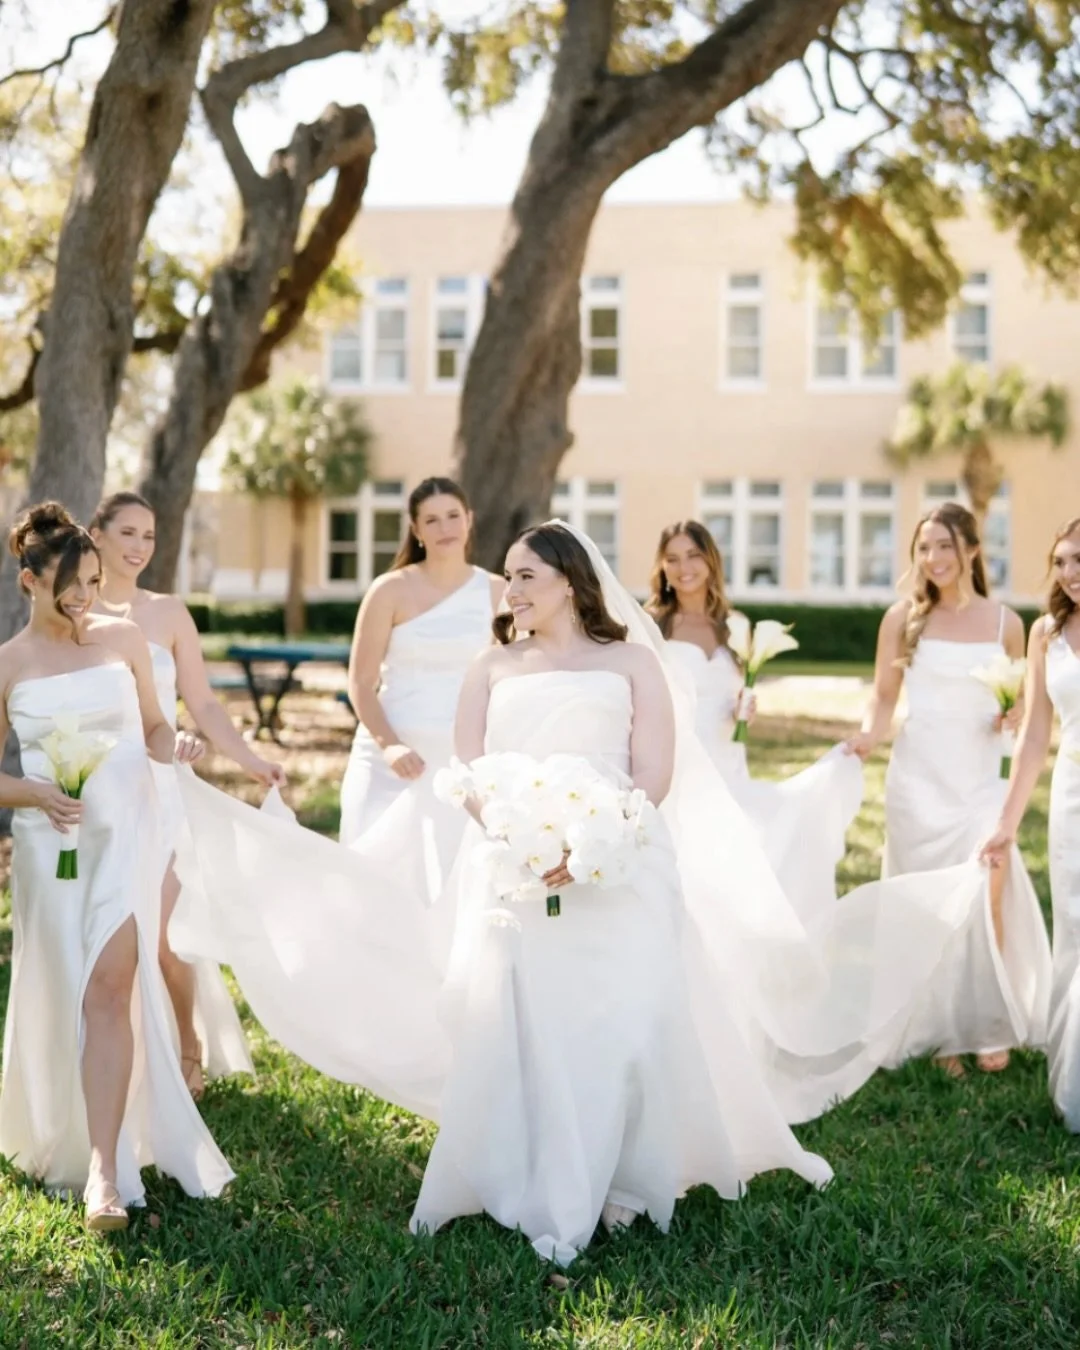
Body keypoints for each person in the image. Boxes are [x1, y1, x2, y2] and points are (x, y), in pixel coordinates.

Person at [170, 521, 987, 1264]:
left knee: (621, 1019)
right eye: (512, 579)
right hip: (512, 861)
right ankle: (528, 1169)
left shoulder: (632, 659)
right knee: (523, 1017)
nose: (512, 591)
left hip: (619, 856)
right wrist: (517, 831)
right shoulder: (490, 665)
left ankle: (621, 1169)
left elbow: (655, 774)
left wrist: (598, 840)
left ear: (569, 582)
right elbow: (468, 768)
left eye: (527, 577)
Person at [0, 504, 232, 1231]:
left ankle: (105, 1170)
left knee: (109, 987)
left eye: (93, 583)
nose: (84, 599)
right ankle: (56, 1123)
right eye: (69, 585)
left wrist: (178, 746)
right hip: (51, 846)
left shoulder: (125, 638)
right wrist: (34, 792)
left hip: (129, 832)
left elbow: (156, 727)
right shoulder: (8, 663)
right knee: (62, 984)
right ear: (29, 581)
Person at [846, 502, 1051, 1077]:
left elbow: (1026, 700)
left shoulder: (1005, 623)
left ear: (972, 551)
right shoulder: (900, 619)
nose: (933, 558)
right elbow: (884, 697)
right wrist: (868, 735)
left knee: (986, 893)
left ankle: (987, 1021)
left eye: (944, 546)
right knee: (925, 903)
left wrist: (1012, 716)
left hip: (979, 779)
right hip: (918, 780)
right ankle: (937, 1030)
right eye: (924, 547)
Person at [90, 491, 282, 1099]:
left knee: (169, 937)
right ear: (95, 535)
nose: (139, 546)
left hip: (163, 785)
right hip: (96, 789)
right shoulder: (73, 611)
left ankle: (188, 1045)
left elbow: (200, 702)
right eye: (127, 532)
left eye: (149, 535)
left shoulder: (170, 613)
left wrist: (251, 761)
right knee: (110, 934)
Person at [648, 520, 862, 923]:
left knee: (730, 864)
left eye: (693, 555)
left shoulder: (734, 625)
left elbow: (734, 689)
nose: (684, 567)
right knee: (683, 862)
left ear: (711, 560)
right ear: (661, 567)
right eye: (672, 559)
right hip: (679, 759)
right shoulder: (653, 626)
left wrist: (743, 706)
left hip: (729, 757)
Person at [339, 477, 501, 857]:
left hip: (458, 761)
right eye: (431, 520)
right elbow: (361, 683)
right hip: (389, 759)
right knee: (371, 864)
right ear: (416, 530)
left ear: (469, 519)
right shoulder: (389, 590)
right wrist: (390, 746)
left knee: (445, 880)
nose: (445, 528)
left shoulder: (497, 592)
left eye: (452, 516)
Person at [982, 517, 1080, 1125]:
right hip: (1073, 799)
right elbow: (1038, 734)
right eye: (1062, 561)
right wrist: (1007, 822)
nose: (1069, 573)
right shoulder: (1048, 632)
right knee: (1075, 925)